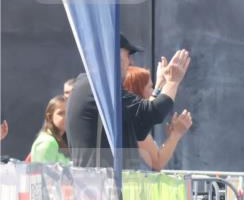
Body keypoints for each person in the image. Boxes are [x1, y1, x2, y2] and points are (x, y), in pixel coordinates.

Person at [66, 34, 190, 169]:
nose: (131, 62)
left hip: (100, 183)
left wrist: (161, 85)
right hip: (101, 185)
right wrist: (173, 81)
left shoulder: (90, 85)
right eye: (128, 55)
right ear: (112, 56)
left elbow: (139, 127)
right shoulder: (99, 87)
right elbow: (152, 113)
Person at [122, 65, 193, 171]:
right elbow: (158, 162)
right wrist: (176, 134)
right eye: (150, 87)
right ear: (138, 91)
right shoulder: (135, 122)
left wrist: (160, 82)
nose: (153, 92)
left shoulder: (129, 115)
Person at [29, 95, 71, 164]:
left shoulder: (59, 140)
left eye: (68, 112)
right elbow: (44, 173)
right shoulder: (48, 142)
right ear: (50, 117)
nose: (66, 117)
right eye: (61, 113)